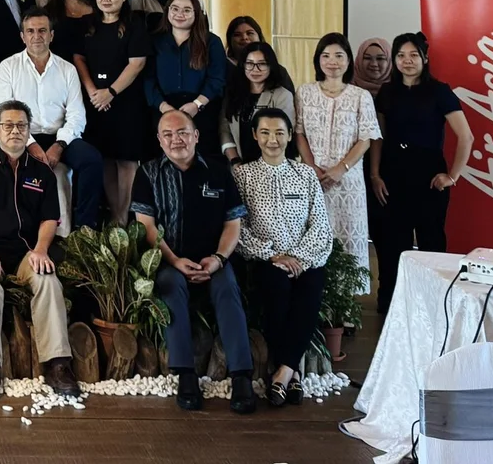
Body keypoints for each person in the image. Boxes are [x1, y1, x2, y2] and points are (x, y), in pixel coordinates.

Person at [0, 100, 80, 403]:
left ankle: (57, 365)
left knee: (48, 281)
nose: (15, 131)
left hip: (26, 250)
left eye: (21, 126)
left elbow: (51, 219)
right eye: (8, 125)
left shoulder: (42, 173)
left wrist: (40, 250)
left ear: (28, 131)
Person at [132, 110, 257, 414]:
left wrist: (218, 258)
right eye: (169, 134)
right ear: (160, 140)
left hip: (213, 260)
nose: (177, 139)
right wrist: (174, 260)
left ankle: (242, 377)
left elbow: (233, 224)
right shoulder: (147, 173)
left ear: (196, 136)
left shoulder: (218, 171)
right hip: (169, 260)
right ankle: (185, 375)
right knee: (170, 290)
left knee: (228, 289)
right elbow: (145, 225)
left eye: (183, 132)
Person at [232, 108, 333, 407]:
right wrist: (273, 254)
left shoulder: (304, 174)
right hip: (266, 259)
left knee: (310, 292)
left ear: (290, 136)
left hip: (305, 258)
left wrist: (299, 258)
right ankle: (293, 374)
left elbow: (320, 224)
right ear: (254, 136)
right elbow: (238, 227)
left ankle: (284, 372)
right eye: (265, 132)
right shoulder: (244, 175)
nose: (272, 139)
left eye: (279, 132)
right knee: (276, 291)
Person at [370, 32, 472, 314]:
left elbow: (466, 137)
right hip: (392, 175)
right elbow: (379, 137)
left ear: (425, 58)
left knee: (431, 241)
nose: (407, 61)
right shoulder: (387, 92)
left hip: (429, 177)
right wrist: (375, 174)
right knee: (393, 244)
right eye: (401, 55)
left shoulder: (440, 91)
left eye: (413, 55)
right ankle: (392, 303)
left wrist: (452, 176)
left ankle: (435, 303)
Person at [0, 8, 104, 229]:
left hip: (60, 136)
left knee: (91, 159)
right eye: (31, 31)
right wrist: (31, 145)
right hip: (21, 137)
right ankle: (12, 226)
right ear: (22, 36)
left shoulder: (67, 69)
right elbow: (3, 113)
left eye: (42, 30)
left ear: (52, 35)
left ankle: (85, 230)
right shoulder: (8, 67)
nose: (37, 36)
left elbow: (76, 115)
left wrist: (60, 145)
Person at [294, 33, 380, 295]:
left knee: (347, 241)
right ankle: (315, 302)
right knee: (314, 237)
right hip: (312, 178)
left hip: (349, 181)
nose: (332, 62)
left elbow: (367, 137)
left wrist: (341, 168)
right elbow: (299, 132)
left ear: (348, 60)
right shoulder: (304, 92)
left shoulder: (361, 96)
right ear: (318, 60)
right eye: (326, 55)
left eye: (339, 56)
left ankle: (346, 308)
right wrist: (312, 167)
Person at [74, 0, 150, 222]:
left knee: (126, 160)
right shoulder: (87, 23)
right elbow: (79, 58)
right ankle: (114, 213)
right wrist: (93, 91)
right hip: (95, 101)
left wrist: (112, 92)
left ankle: (122, 216)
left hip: (126, 101)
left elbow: (137, 63)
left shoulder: (135, 23)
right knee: (103, 157)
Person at [145, 0, 226, 159]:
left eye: (187, 10)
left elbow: (217, 78)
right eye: (174, 9)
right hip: (164, 108)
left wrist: (197, 104)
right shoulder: (155, 41)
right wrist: (163, 107)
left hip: (201, 108)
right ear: (167, 11)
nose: (180, 14)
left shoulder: (211, 41)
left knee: (203, 160)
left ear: (196, 13)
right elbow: (148, 79)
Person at [221, 42, 296, 164]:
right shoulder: (233, 93)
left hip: (272, 165)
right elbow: (224, 129)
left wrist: (259, 169)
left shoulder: (282, 95)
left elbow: (283, 135)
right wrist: (235, 160)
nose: (255, 69)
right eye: (249, 63)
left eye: (262, 64)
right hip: (239, 165)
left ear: (271, 66)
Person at [354, 36, 392, 246]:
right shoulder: (348, 88)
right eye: (367, 58)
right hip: (352, 166)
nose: (374, 64)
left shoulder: (398, 90)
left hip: (387, 169)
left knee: (384, 231)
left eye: (380, 58)